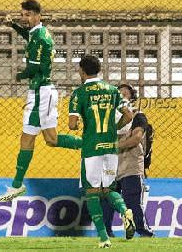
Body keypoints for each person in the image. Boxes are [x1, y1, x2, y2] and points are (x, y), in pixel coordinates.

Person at [0, 0, 81, 202]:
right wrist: (13, 26)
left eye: (27, 15)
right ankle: (89, 144)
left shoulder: (39, 39)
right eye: (22, 15)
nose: (23, 18)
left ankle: (17, 185)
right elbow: (28, 36)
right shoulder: (38, 34)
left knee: (27, 138)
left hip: (40, 93)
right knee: (51, 140)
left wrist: (18, 75)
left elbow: (34, 69)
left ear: (38, 16)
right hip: (45, 91)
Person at [68, 55, 135, 248]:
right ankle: (125, 212)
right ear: (98, 70)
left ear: (82, 71)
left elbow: (72, 125)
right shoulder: (113, 90)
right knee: (108, 189)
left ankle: (104, 238)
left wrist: (78, 123)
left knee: (92, 192)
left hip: (92, 148)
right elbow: (129, 115)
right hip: (110, 147)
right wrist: (114, 128)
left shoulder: (79, 93)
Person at [103, 84, 155, 238]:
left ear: (132, 98)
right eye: (119, 93)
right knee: (107, 199)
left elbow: (137, 137)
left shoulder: (138, 116)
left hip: (131, 162)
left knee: (132, 200)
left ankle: (143, 232)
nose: (122, 95)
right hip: (111, 163)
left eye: (126, 93)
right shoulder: (108, 118)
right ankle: (106, 232)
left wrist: (114, 146)